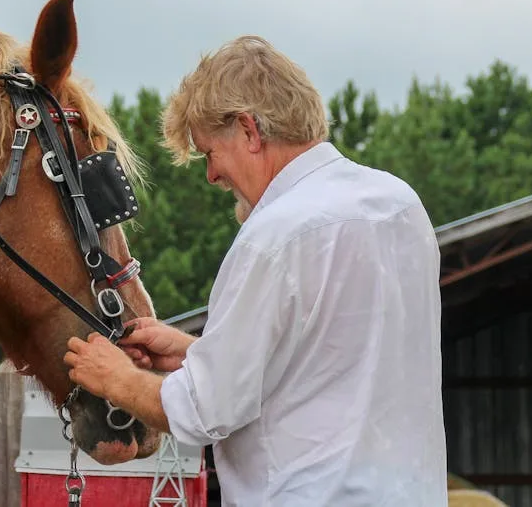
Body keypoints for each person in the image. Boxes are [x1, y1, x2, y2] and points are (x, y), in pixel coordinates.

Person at [64, 36, 448, 506]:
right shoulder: (400, 206)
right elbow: (329, 362)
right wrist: (196, 353)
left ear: (249, 130)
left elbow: (206, 411)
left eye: (209, 153)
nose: (211, 176)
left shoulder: (274, 236)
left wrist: (116, 379)